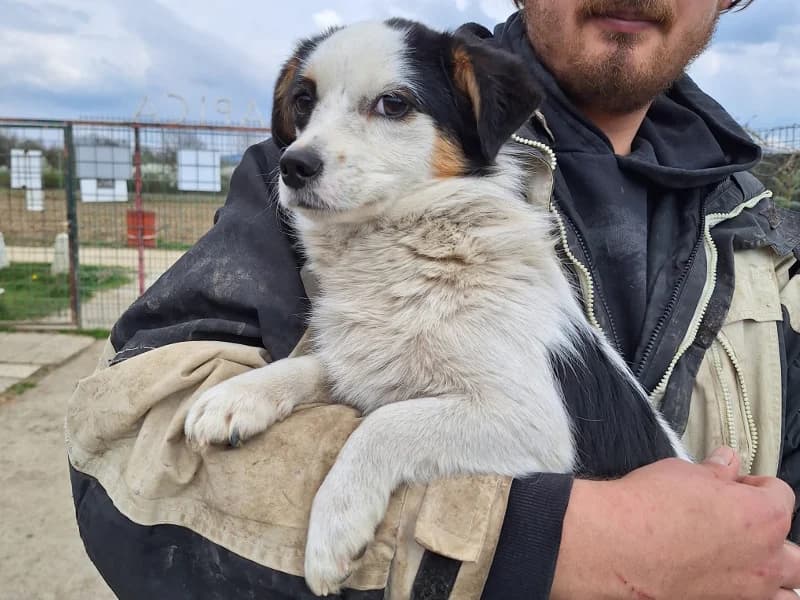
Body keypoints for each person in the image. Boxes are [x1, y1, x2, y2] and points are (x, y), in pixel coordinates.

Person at [67, 1, 800, 598]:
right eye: (306, 104)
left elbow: (477, 400)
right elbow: (125, 437)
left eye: (391, 104)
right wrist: (552, 548)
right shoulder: (309, 198)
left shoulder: (758, 222)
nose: (310, 144)